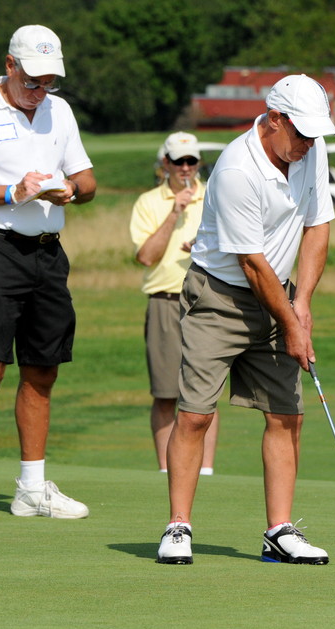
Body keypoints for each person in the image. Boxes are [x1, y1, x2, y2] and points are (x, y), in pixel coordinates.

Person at [155, 74, 335, 565]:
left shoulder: (310, 150)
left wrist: (303, 305)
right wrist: (292, 321)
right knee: (195, 413)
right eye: (300, 133)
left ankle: (279, 531)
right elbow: (252, 265)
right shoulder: (238, 167)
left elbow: (318, 225)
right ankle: (178, 526)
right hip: (219, 296)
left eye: (315, 135)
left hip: (278, 295)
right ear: (274, 119)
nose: (307, 144)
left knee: (286, 414)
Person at [0, 25, 97, 521]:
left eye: (49, 81)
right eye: (32, 79)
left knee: (43, 368)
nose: (40, 90)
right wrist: (14, 192)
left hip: (49, 252)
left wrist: (69, 189)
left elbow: (87, 179)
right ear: (10, 66)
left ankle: (31, 488)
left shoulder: (59, 111)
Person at [130, 132, 219, 475]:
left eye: (191, 161)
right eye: (178, 161)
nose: (185, 168)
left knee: (205, 393)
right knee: (166, 393)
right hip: (165, 300)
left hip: (210, 298)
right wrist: (174, 213)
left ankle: (205, 471)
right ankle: (168, 471)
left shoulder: (214, 195)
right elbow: (146, 256)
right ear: (165, 163)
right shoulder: (149, 202)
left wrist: (204, 243)